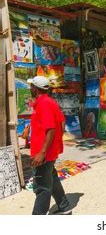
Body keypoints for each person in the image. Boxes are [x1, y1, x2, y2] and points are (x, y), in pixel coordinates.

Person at [27, 76, 72, 215]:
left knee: (42, 188)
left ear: (35, 88)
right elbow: (61, 122)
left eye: (31, 86)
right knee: (51, 178)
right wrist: (56, 143)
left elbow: (51, 128)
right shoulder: (49, 102)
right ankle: (65, 207)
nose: (30, 88)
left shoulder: (44, 104)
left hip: (43, 154)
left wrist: (42, 152)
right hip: (49, 152)